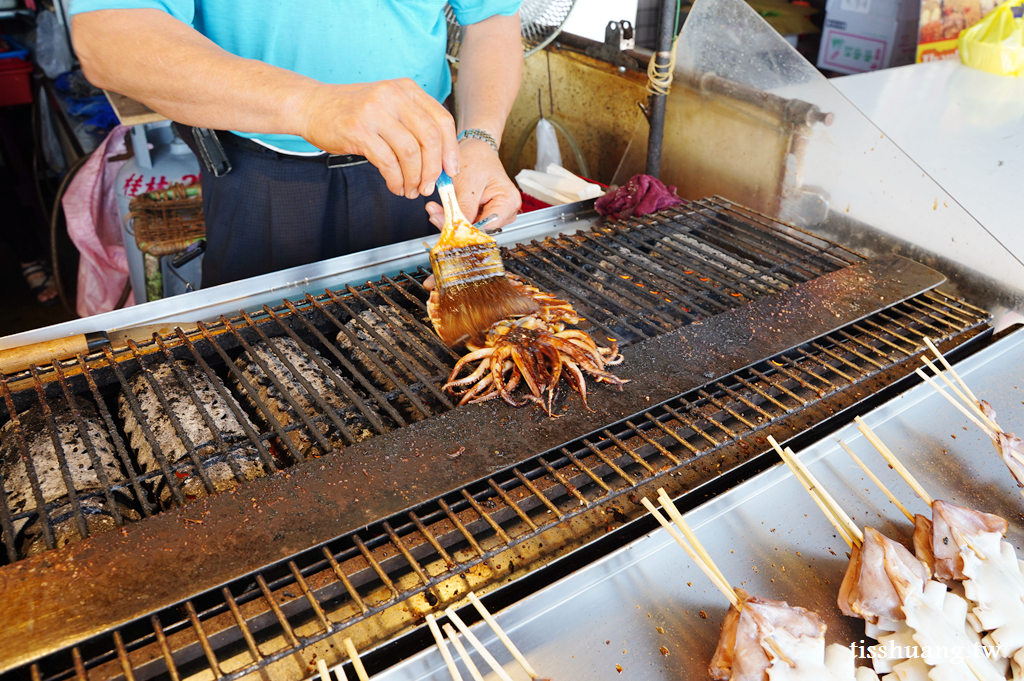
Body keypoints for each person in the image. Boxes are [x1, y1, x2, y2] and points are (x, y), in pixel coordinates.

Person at [69, 0, 524, 288]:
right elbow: (109, 34)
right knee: (258, 363)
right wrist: (311, 105)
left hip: (425, 162)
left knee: (425, 344)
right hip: (259, 170)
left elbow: (492, 17)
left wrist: (480, 137)